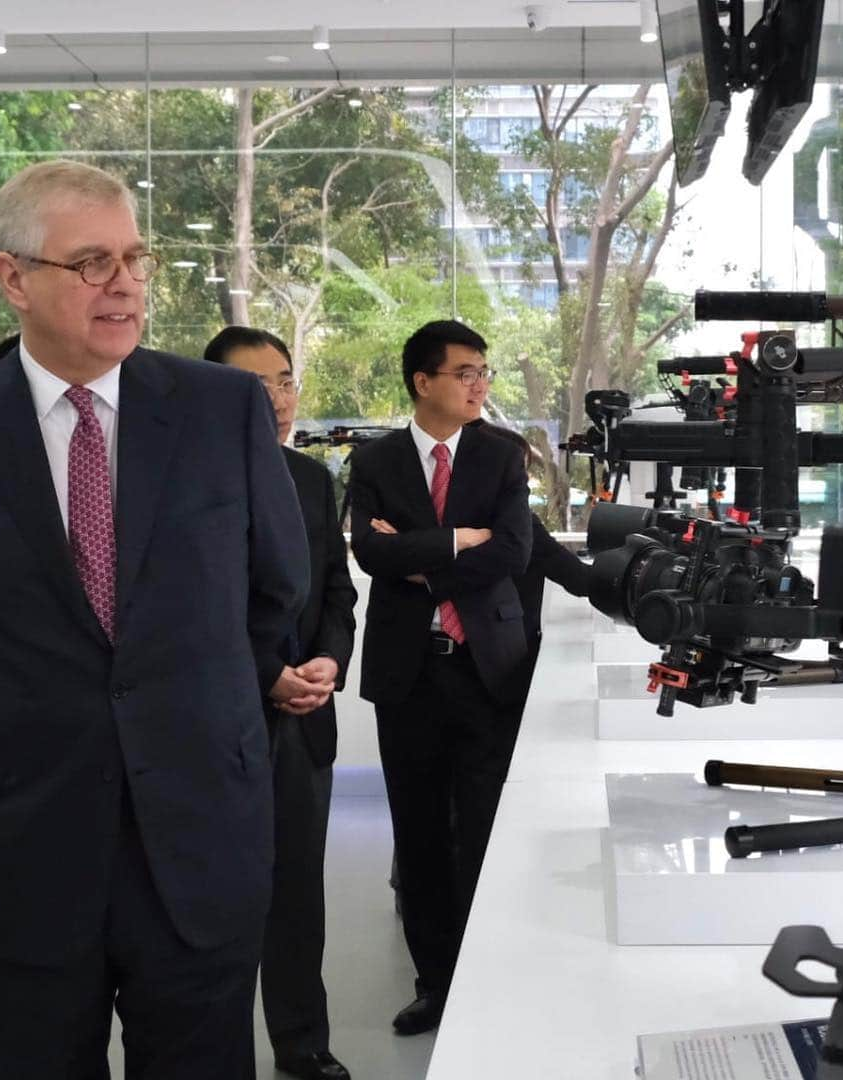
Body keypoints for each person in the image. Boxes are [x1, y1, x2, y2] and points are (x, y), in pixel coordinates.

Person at [0, 160, 309, 1080]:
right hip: (19, 845)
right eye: (90, 262)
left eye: (135, 257)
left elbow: (275, 590)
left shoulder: (220, 412)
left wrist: (197, 712)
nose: (126, 282)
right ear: (13, 277)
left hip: (201, 833)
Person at [348, 320, 532, 1036]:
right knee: (420, 838)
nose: (479, 384)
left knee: (484, 836)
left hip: (487, 671)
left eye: (484, 370)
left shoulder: (500, 456)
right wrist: (460, 539)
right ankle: (436, 985)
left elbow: (513, 552)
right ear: (423, 381)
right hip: (410, 676)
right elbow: (369, 553)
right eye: (465, 372)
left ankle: (492, 979)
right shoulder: (377, 461)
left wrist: (417, 555)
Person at [204, 326, 356, 1080]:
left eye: (286, 380)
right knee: (215, 905)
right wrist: (267, 672)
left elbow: (336, 589)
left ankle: (302, 1043)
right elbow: (189, 608)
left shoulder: (310, 479)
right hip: (216, 726)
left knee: (298, 895)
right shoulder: (181, 479)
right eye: (256, 385)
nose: (278, 398)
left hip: (304, 723)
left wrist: (327, 659)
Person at [471, 422, 591, 709]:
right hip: (506, 661)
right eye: (518, 470)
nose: (523, 479)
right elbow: (576, 577)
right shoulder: (520, 525)